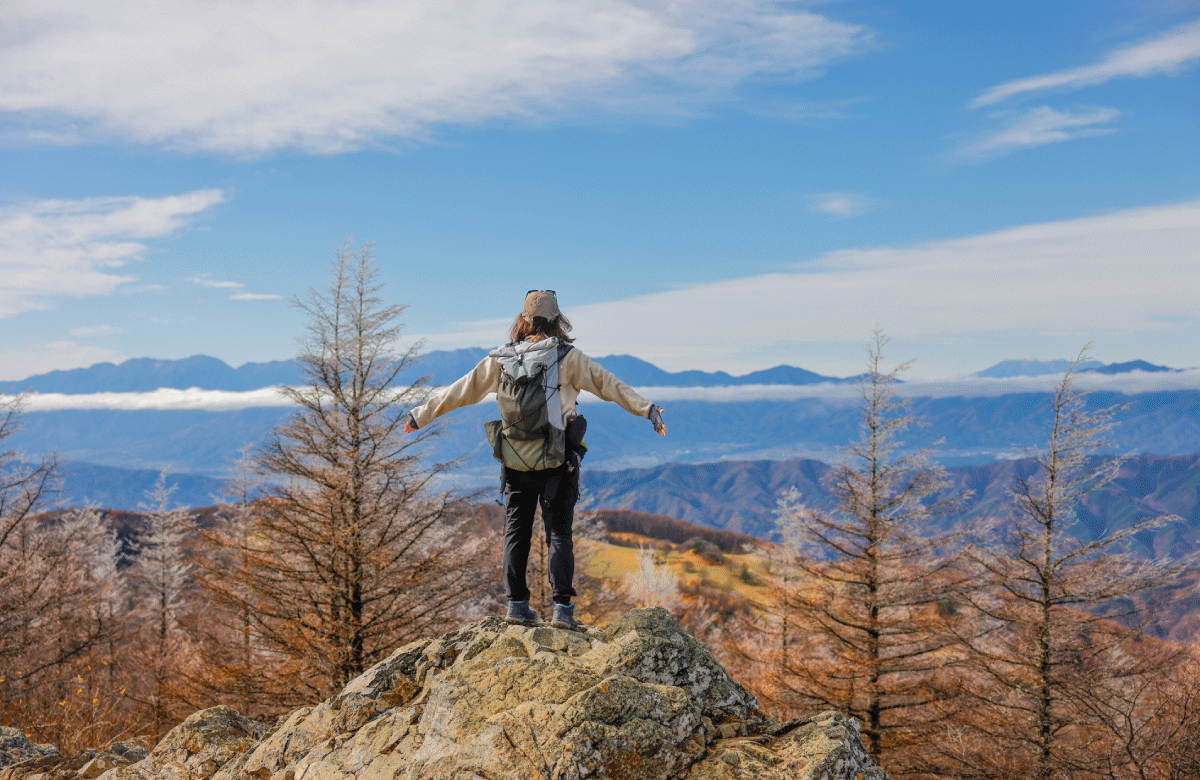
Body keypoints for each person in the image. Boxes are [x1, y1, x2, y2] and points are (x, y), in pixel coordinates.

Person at [404, 290, 666, 630]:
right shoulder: (568, 358)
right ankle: (562, 610)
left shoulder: (500, 360)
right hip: (557, 461)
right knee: (559, 534)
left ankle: (516, 606)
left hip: (514, 461)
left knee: (516, 532)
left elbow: (459, 391)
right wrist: (648, 410)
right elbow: (610, 386)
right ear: (558, 321)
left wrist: (419, 416)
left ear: (523, 322)